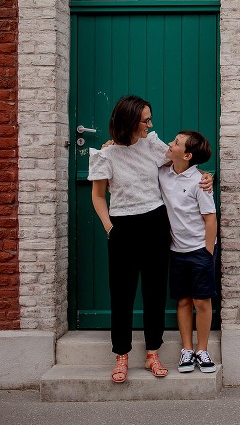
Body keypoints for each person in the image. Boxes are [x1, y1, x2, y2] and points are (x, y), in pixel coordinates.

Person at [88, 95, 212, 383]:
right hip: (122, 228)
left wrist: (207, 177)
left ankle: (152, 353)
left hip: (156, 224)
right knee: (122, 294)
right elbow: (97, 196)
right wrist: (110, 228)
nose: (151, 124)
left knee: (154, 293)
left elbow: (183, 165)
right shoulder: (105, 155)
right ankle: (121, 355)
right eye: (146, 120)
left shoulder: (153, 145)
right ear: (130, 121)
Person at [158, 130, 218, 374]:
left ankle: (202, 350)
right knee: (182, 300)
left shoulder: (199, 182)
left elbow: (210, 218)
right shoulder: (163, 173)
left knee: (202, 301)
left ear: (188, 154)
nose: (170, 144)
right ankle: (186, 350)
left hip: (199, 251)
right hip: (176, 251)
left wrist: (208, 252)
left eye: (176, 143)